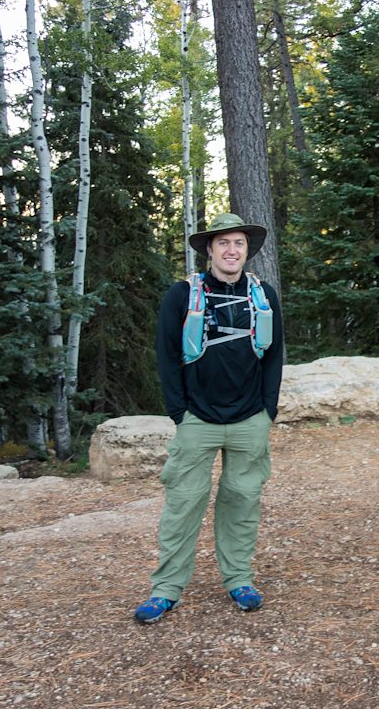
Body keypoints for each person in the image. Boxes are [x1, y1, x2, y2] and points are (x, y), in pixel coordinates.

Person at [133, 213, 284, 624]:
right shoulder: (182, 294)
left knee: (242, 501)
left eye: (238, 243)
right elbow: (166, 355)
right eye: (223, 244)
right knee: (183, 503)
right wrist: (179, 411)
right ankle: (166, 590)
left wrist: (268, 409)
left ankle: (239, 579)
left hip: (250, 418)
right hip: (197, 419)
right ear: (210, 251)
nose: (232, 250)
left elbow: (274, 356)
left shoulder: (263, 294)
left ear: (246, 250)